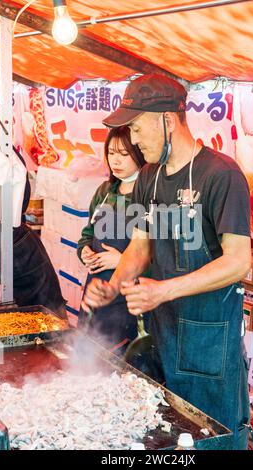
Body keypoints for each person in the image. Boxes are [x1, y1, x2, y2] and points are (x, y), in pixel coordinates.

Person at [82, 74, 251, 449]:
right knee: (170, 442)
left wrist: (163, 290)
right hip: (163, 335)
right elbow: (140, 248)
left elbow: (238, 262)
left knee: (213, 440)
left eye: (138, 129)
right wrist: (112, 285)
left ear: (167, 120)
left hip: (210, 342)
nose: (135, 139)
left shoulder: (221, 175)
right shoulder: (149, 177)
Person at [77, 126, 146, 353]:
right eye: (111, 153)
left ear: (140, 153)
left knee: (118, 362)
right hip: (95, 289)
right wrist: (85, 251)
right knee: (86, 357)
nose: (116, 160)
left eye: (124, 154)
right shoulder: (105, 191)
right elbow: (88, 233)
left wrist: (122, 261)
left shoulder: (147, 195)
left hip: (127, 297)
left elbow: (157, 252)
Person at [0, 145, 67, 318]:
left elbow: (20, 191)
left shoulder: (3, 146)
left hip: (12, 238)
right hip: (11, 234)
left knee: (48, 320)